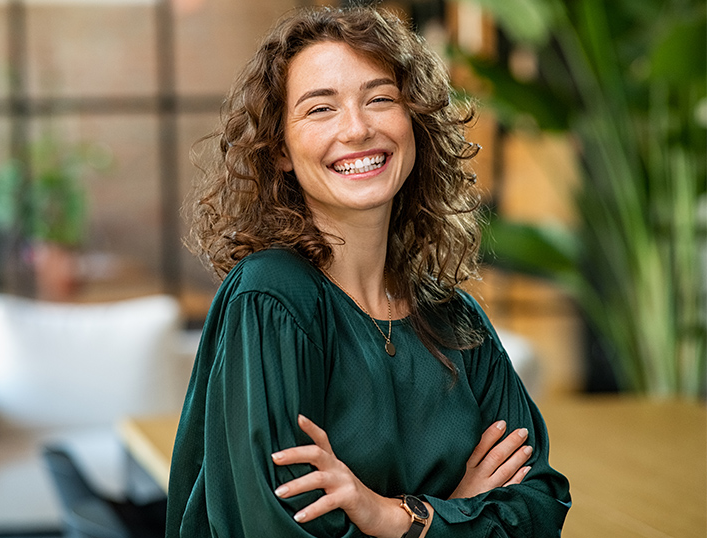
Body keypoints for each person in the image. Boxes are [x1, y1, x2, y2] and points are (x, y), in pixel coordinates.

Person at [166, 6, 570, 538]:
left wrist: (392, 515)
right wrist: (457, 511)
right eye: (320, 109)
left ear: (414, 124)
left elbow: (539, 507)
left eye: (380, 99)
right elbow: (279, 528)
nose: (357, 129)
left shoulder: (454, 318)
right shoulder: (272, 299)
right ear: (281, 149)